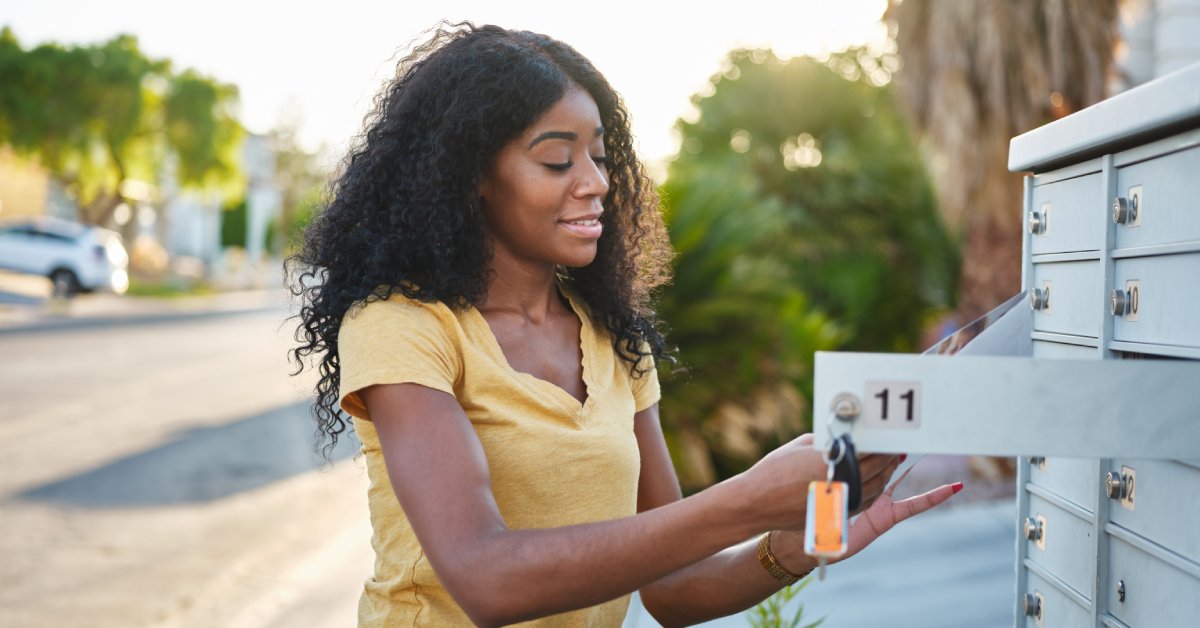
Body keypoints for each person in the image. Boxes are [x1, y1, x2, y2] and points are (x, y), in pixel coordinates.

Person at [289, 22, 961, 627]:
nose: (596, 182)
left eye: (601, 157)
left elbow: (672, 589)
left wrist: (787, 547)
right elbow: (484, 578)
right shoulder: (402, 326)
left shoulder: (613, 336)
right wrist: (747, 500)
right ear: (470, 178)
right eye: (558, 159)